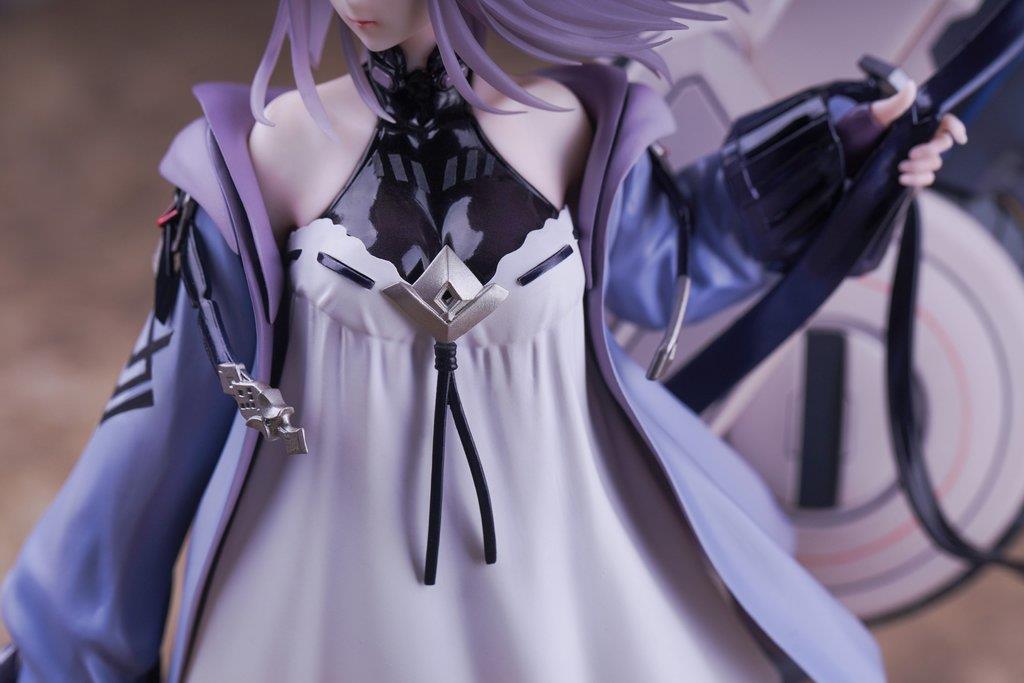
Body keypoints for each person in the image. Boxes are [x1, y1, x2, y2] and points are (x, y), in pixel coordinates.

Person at [0, 1, 965, 681]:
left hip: (562, 581)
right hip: (331, 600)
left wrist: (847, 149)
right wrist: (61, 646)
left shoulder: (564, 128)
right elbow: (160, 414)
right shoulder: (274, 148)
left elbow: (681, 250)